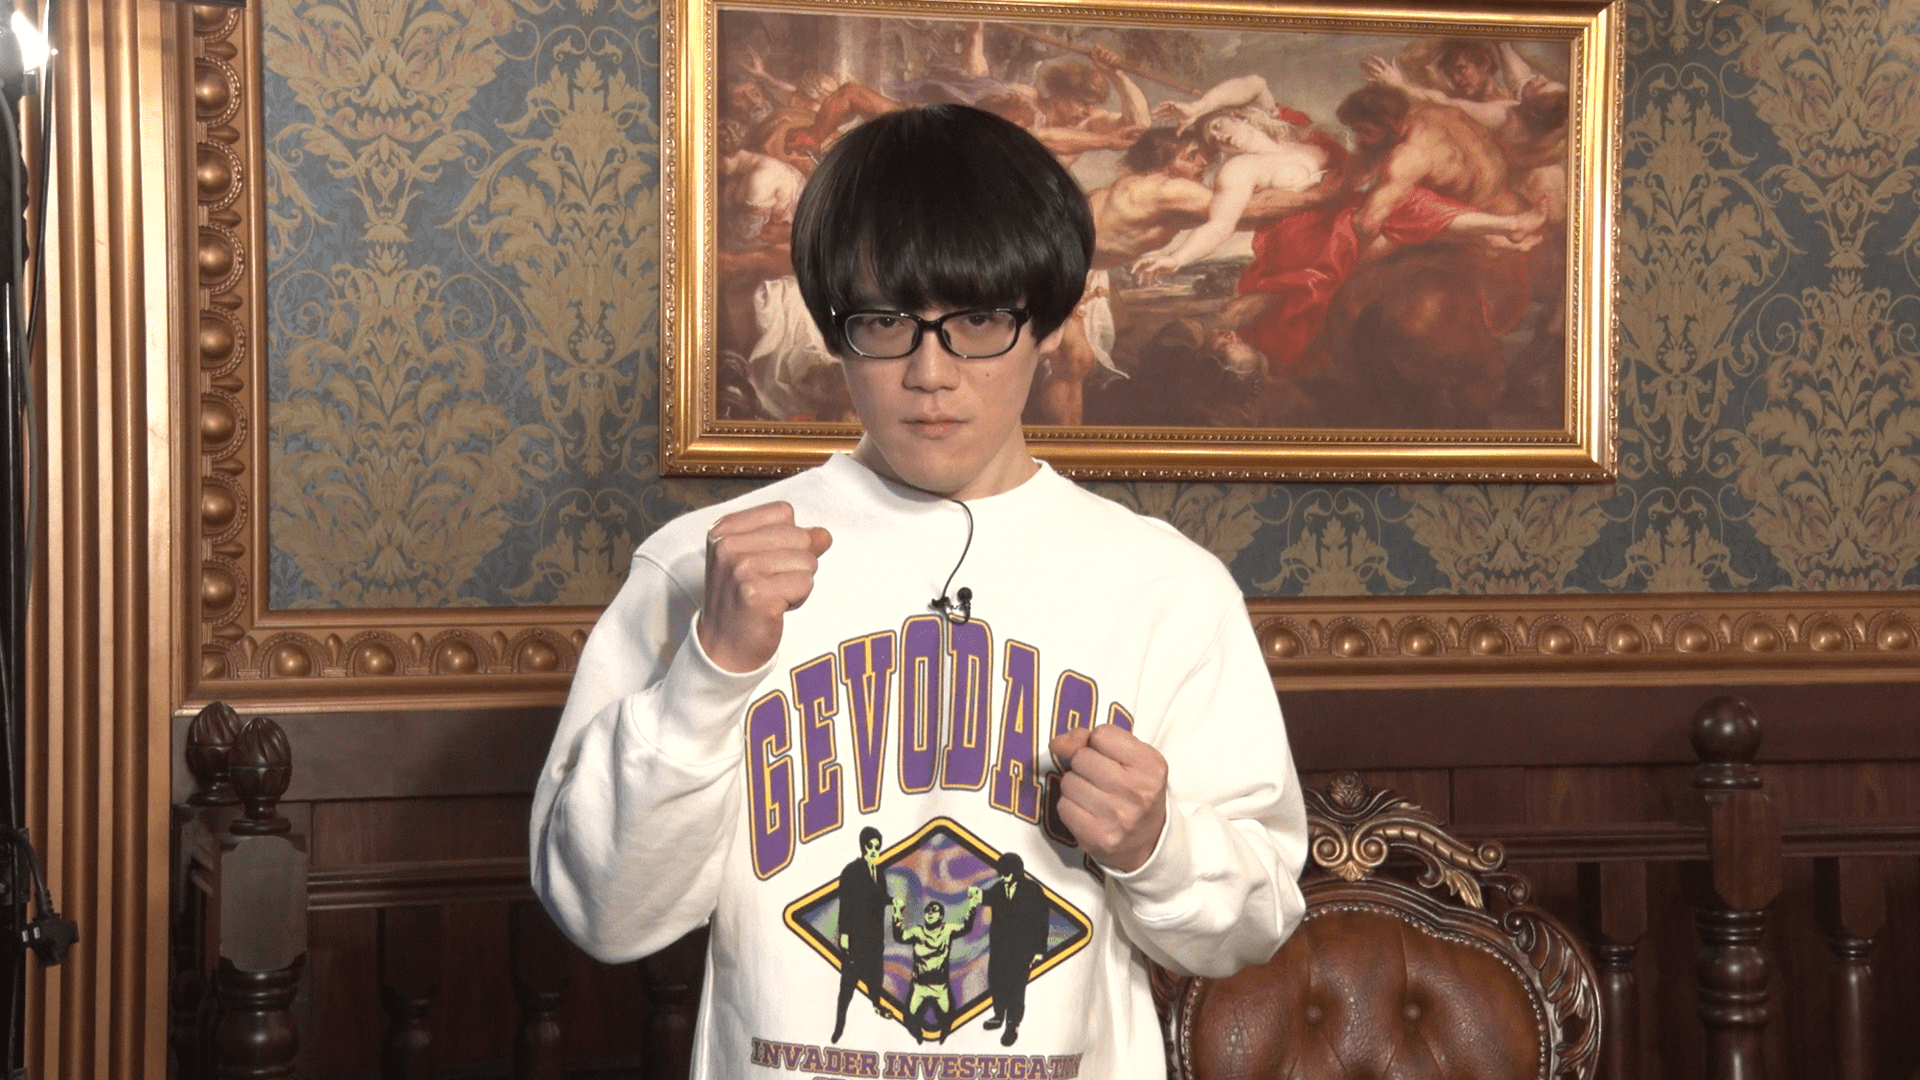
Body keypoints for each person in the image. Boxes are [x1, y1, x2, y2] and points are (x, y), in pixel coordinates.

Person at [530, 103, 1307, 1078]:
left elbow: (1254, 924)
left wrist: (1159, 844)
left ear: (1050, 319)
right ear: (833, 329)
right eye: (887, 323)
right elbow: (603, 913)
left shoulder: (1168, 587)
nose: (930, 374)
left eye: (977, 319)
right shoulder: (700, 565)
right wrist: (709, 673)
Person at [890, 890, 982, 1043]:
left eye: (934, 911)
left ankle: (943, 1040)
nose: (930, 913)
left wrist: (972, 905)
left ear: (941, 916)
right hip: (920, 986)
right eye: (927, 911)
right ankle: (918, 1039)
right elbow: (899, 936)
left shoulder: (947, 930)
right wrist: (897, 912)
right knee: (909, 1017)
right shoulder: (917, 931)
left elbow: (966, 927)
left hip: (940, 986)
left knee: (948, 1017)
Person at [979, 852, 1050, 1046]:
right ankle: (998, 1015)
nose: (1003, 877)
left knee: (1016, 988)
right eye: (1001, 873)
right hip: (999, 947)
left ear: (1016, 872)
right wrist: (977, 896)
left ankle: (1012, 1025)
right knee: (996, 981)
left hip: (1022, 950)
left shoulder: (1032, 890)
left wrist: (1039, 950)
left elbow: (1042, 921)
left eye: (1007, 873)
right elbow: (987, 897)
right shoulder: (999, 888)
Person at [833, 827, 894, 1043]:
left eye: (878, 846)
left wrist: (893, 902)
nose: (875, 850)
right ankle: (839, 1027)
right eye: (871, 846)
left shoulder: (879, 872)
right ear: (863, 845)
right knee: (847, 986)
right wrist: (844, 934)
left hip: (875, 938)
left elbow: (881, 898)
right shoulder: (851, 871)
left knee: (876, 977)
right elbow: (845, 903)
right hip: (856, 939)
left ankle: (877, 1004)